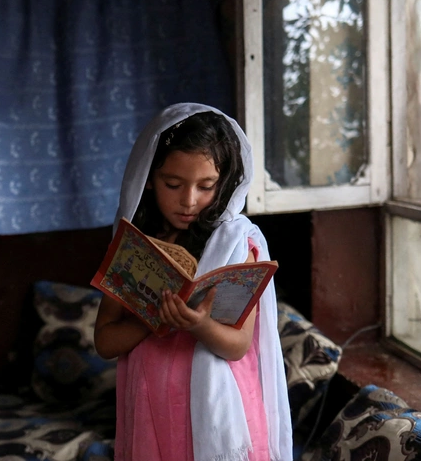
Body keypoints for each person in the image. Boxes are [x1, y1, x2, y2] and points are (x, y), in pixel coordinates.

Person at [93, 102, 292, 461]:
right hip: (151, 409)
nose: (188, 201)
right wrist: (151, 319)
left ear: (226, 182)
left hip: (219, 413)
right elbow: (105, 341)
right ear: (149, 179)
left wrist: (199, 325)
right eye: (173, 184)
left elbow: (237, 346)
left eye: (206, 186)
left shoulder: (237, 246)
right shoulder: (135, 248)